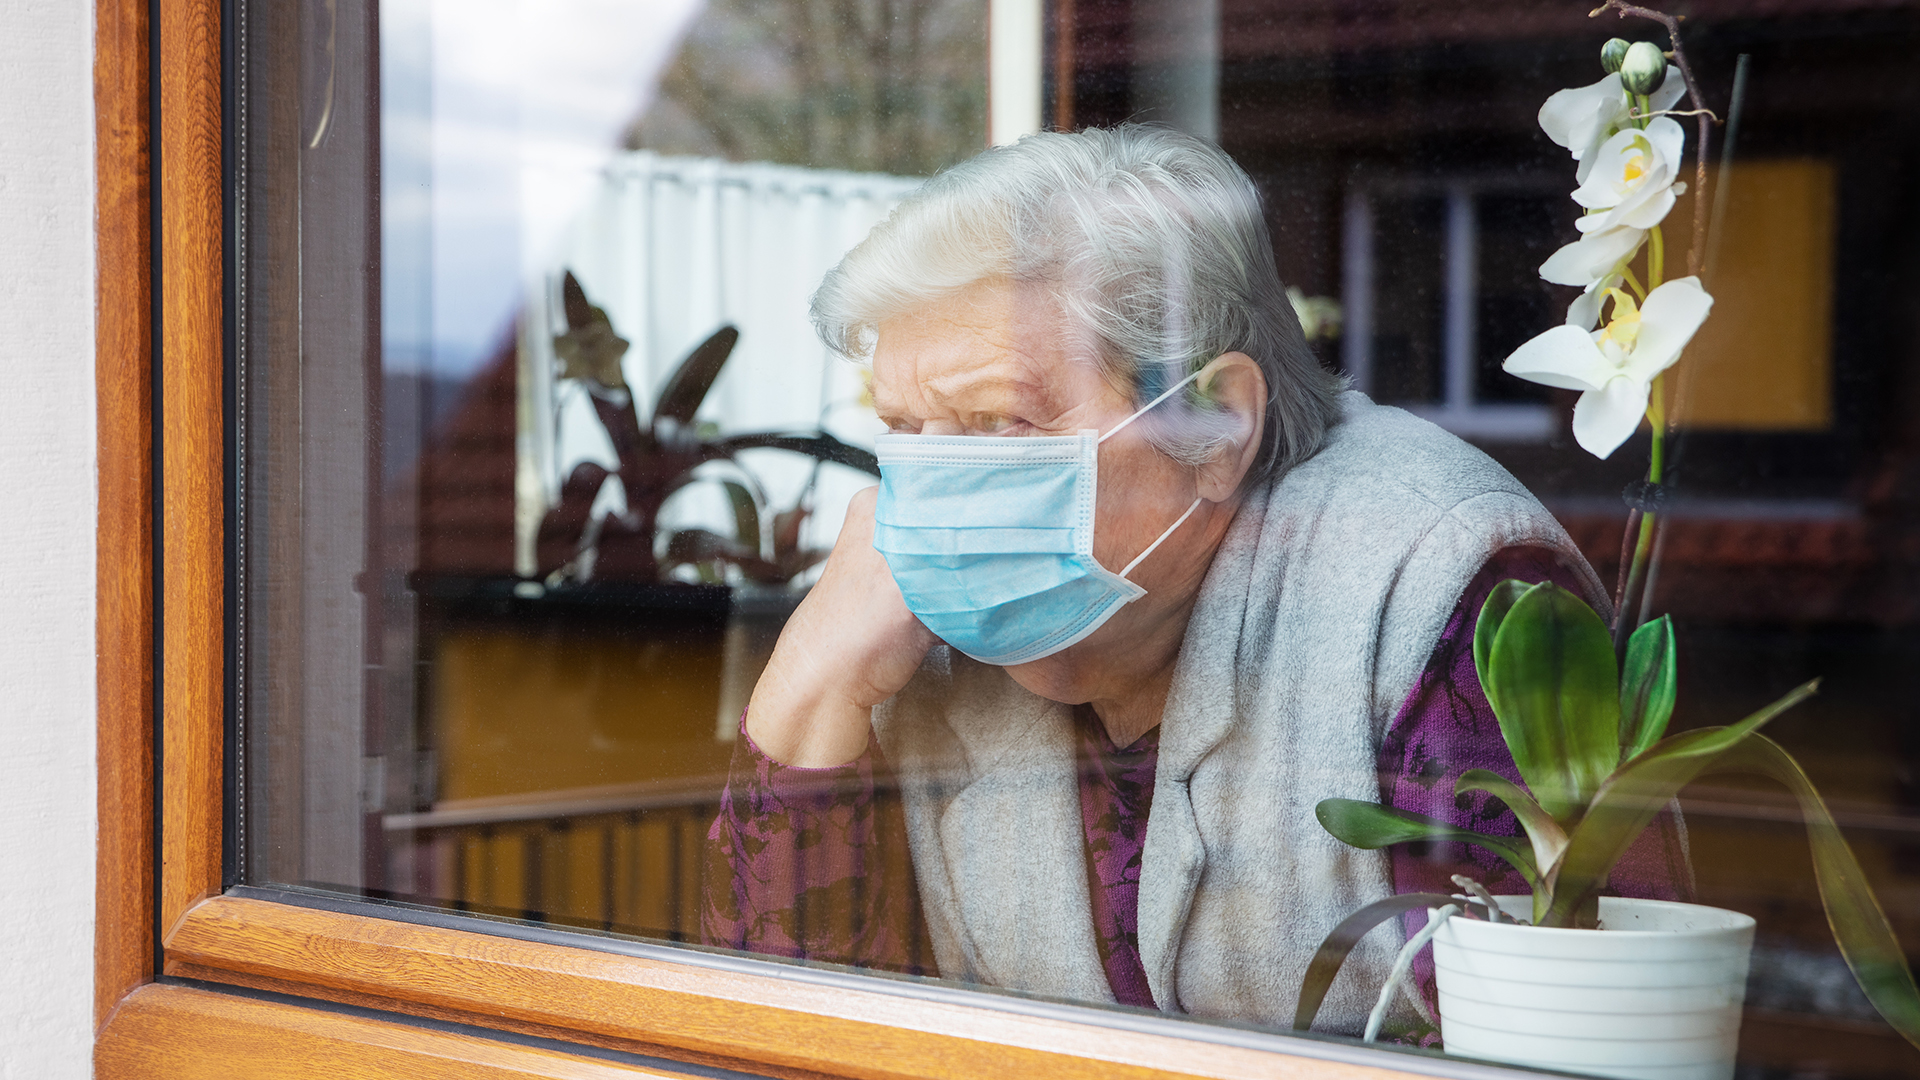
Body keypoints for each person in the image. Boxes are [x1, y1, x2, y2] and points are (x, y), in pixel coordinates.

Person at [701, 125, 1685, 1032]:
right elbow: (800, 1040)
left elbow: (1582, 1029)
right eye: (907, 433)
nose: (933, 495)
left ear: (1216, 425)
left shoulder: (1435, 588)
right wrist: (809, 690)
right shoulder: (913, 625)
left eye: (999, 423)